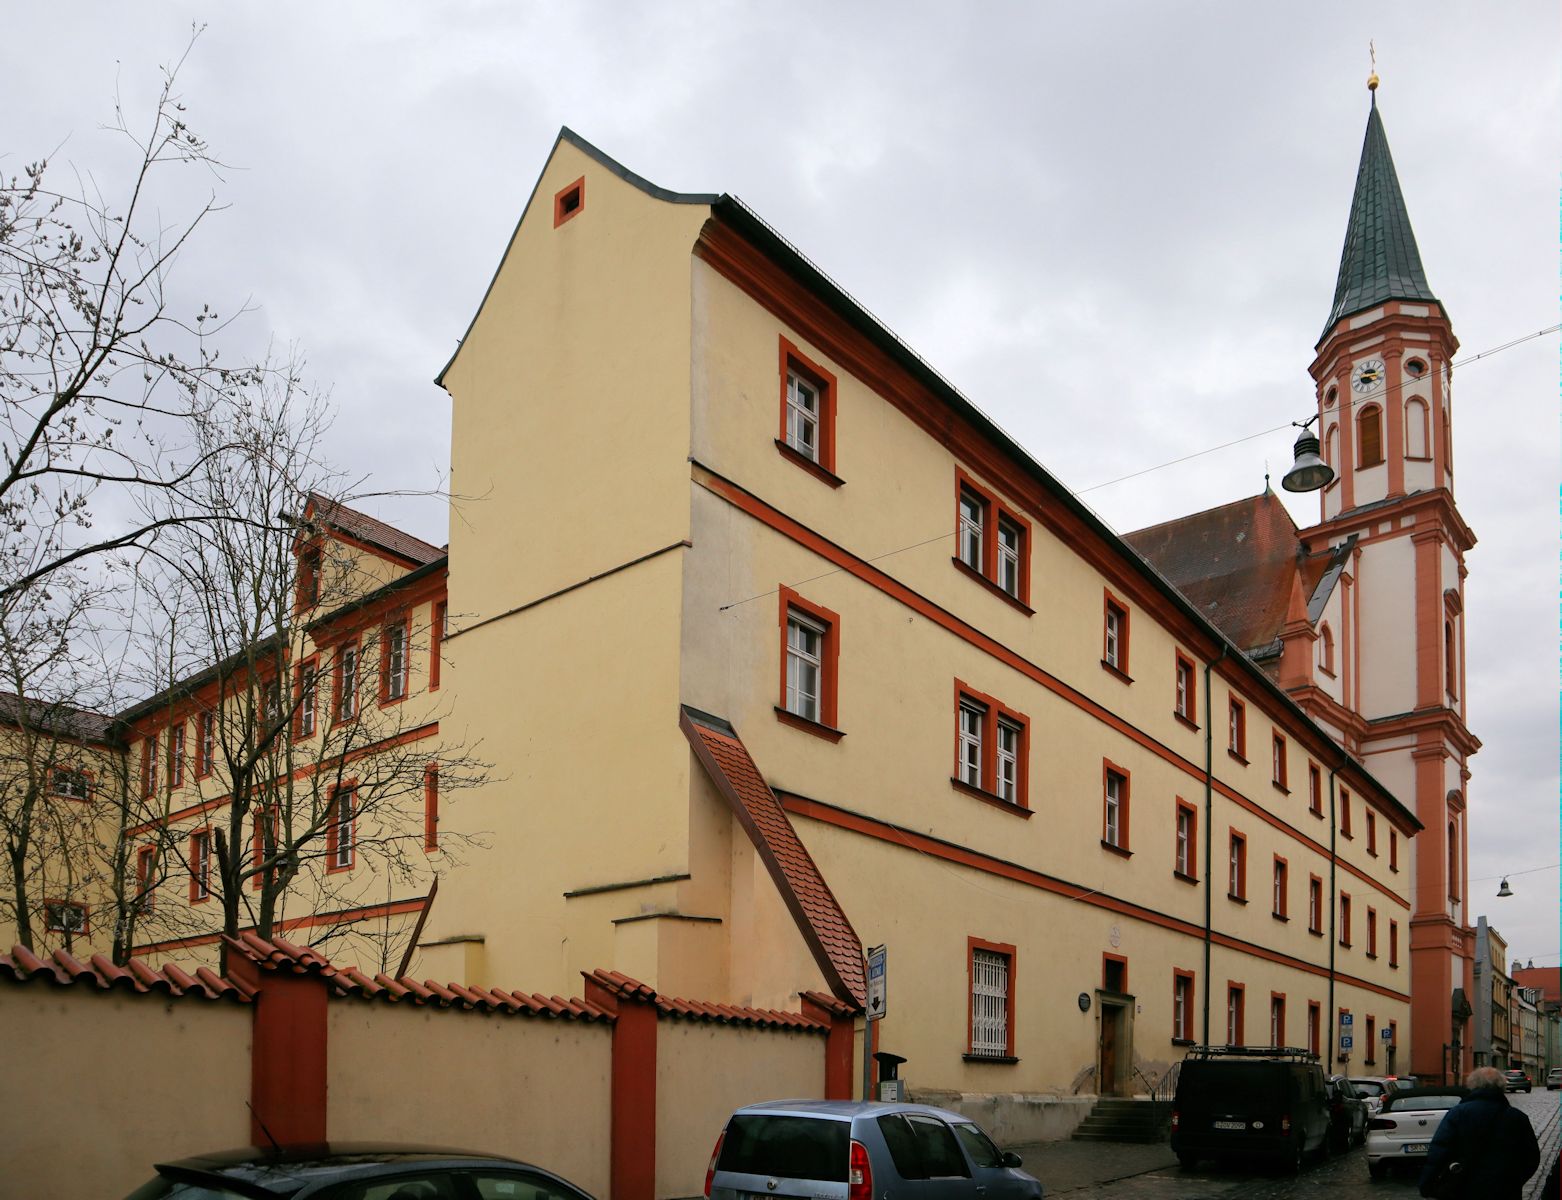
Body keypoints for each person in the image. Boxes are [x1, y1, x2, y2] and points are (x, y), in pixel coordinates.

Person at [1419, 1065, 1541, 1199]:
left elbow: (1439, 1151)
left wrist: (1427, 1184)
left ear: (1473, 1085)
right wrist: (1514, 1180)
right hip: (1504, 1190)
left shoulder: (1458, 1114)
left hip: (1463, 1188)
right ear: (1501, 1086)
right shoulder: (1517, 1117)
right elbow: (1531, 1156)